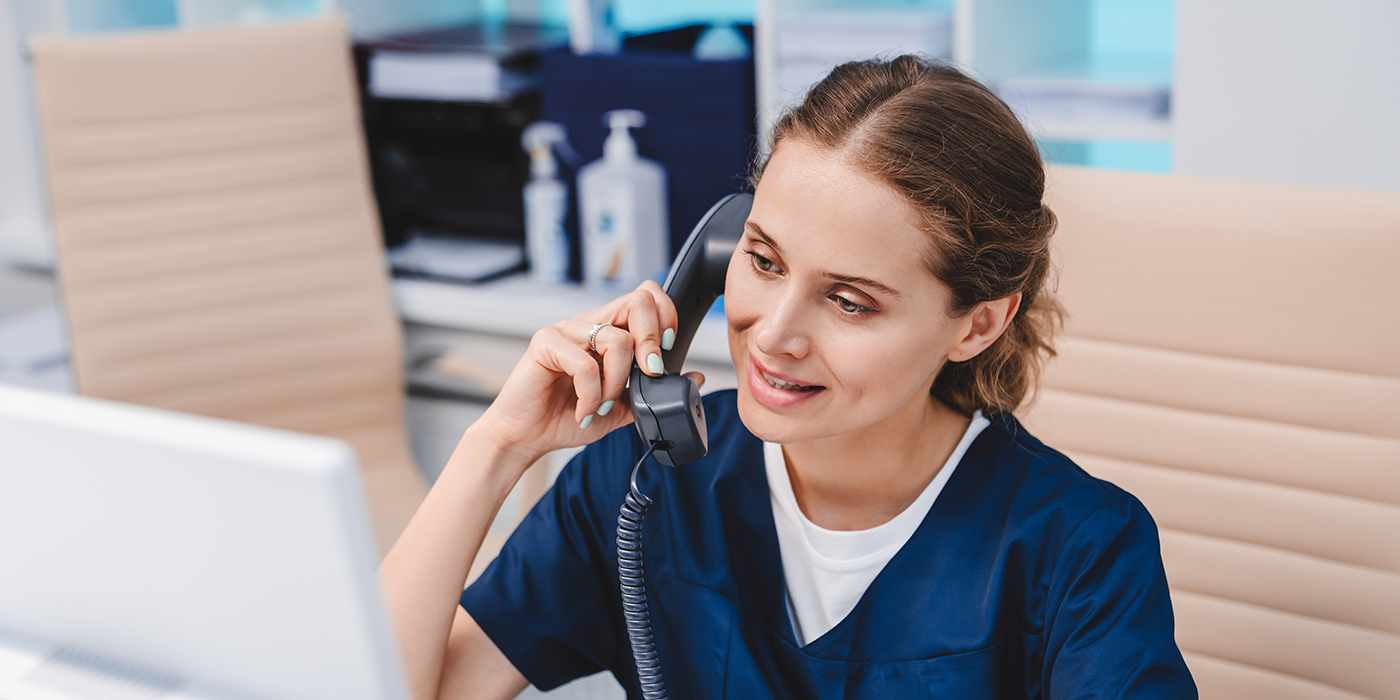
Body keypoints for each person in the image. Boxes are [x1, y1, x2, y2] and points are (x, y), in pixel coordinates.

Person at [381, 56, 1197, 699]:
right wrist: (497, 445)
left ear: (977, 323)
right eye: (763, 261)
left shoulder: (1079, 551)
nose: (771, 335)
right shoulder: (641, 485)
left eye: (849, 302)